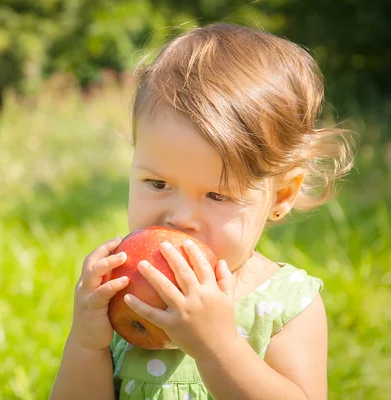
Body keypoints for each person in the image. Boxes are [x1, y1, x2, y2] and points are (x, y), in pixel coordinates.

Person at [50, 22, 355, 399]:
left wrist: (219, 347)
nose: (180, 218)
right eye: (158, 184)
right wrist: (86, 344)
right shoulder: (121, 295)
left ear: (280, 196)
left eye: (217, 196)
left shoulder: (284, 305)